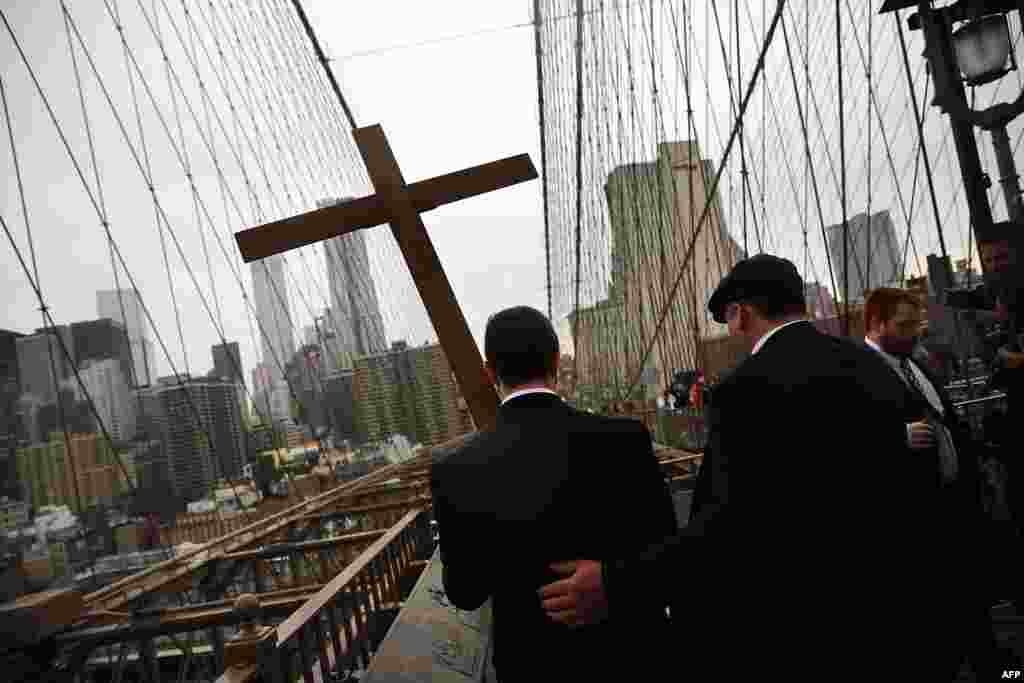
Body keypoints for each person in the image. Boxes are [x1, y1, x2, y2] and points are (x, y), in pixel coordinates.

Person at [538, 254, 939, 680]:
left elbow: (725, 526)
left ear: (741, 313)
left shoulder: (742, 390)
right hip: (897, 608)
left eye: (729, 318)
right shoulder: (868, 363)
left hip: (804, 631)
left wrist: (616, 581)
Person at [430, 306, 677, 681]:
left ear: (488, 371)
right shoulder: (624, 441)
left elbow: (465, 592)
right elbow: (670, 554)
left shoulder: (455, 469)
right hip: (630, 658)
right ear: (556, 360)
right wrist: (611, 580)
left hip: (532, 665)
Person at [863, 287, 1003, 678]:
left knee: (971, 601)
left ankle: (991, 667)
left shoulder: (915, 363)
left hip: (955, 504)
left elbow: (947, 420)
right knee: (936, 619)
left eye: (916, 325)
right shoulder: (857, 370)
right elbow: (843, 440)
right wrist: (895, 438)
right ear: (876, 324)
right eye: (904, 326)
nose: (914, 334)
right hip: (915, 518)